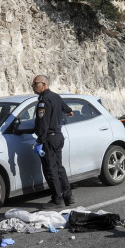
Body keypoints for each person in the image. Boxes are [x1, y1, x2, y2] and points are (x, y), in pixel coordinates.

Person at [32, 74, 75, 205]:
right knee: (59, 168)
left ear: (44, 84)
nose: (33, 86)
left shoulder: (43, 101)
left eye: (35, 84)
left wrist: (40, 140)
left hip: (49, 139)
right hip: (58, 137)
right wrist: (69, 111)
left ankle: (57, 199)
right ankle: (68, 197)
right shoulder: (55, 97)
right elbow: (67, 109)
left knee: (50, 170)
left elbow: (42, 124)